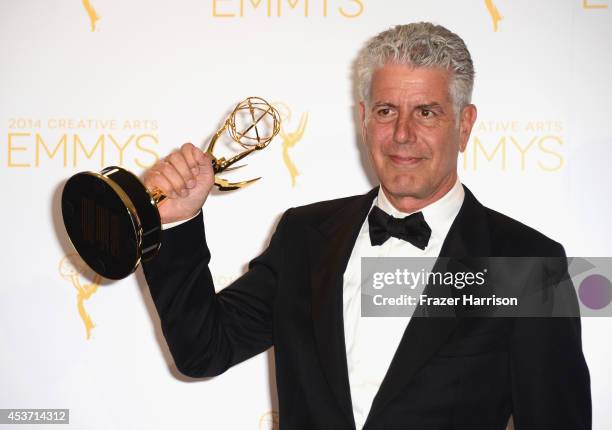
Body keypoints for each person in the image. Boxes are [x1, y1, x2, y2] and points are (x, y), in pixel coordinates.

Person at [142, 22, 591, 430]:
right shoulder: (304, 235)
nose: (402, 134)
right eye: (385, 111)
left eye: (427, 112)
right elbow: (203, 350)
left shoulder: (527, 265)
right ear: (363, 120)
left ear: (464, 124)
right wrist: (178, 223)